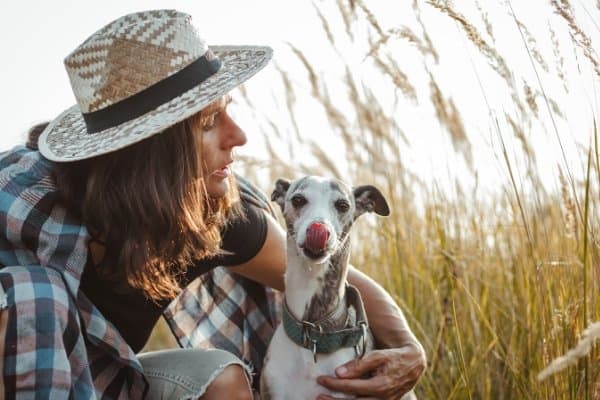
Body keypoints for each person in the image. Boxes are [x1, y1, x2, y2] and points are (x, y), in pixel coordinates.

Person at [0, 9, 425, 400]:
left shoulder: (208, 211)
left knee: (222, 377)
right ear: (150, 153)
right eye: (208, 123)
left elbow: (324, 274)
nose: (238, 136)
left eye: (228, 112)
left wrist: (409, 350)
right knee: (35, 296)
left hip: (108, 383)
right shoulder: (18, 198)